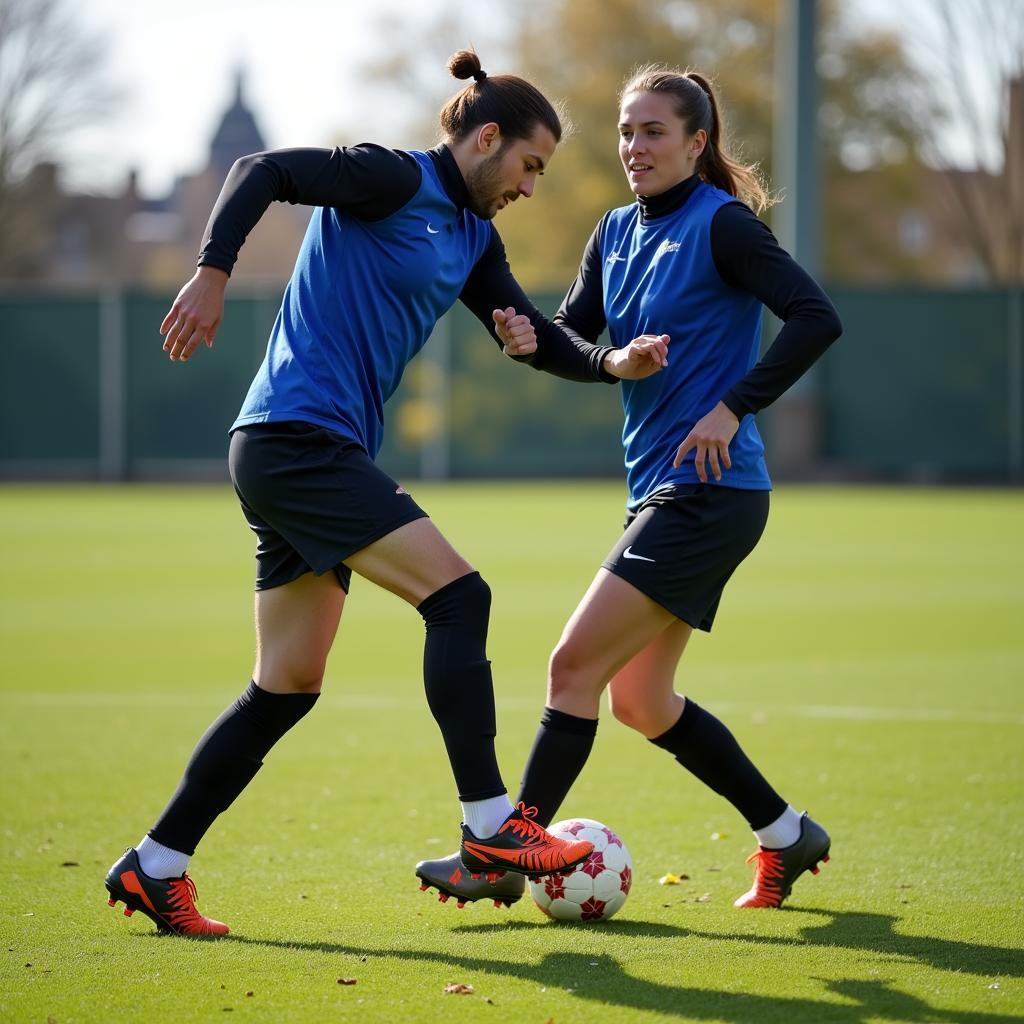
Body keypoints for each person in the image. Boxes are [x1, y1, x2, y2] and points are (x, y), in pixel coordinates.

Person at [103, 50, 672, 936]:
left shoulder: (475, 237)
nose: (531, 186)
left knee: (286, 686)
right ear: (487, 139)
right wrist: (213, 269)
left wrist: (604, 360)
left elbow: (532, 328)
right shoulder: (388, 179)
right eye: (530, 165)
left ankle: (155, 864)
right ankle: (491, 829)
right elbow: (261, 171)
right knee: (460, 596)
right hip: (295, 439)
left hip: (310, 452)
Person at [415, 64, 843, 912]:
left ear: (696, 142)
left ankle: (506, 854)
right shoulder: (613, 232)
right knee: (642, 701)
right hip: (662, 489)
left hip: (711, 488)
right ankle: (788, 835)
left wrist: (731, 408)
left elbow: (815, 316)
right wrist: (527, 338)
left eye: (653, 131)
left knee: (570, 665)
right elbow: (574, 342)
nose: (634, 147)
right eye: (625, 130)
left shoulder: (723, 227)